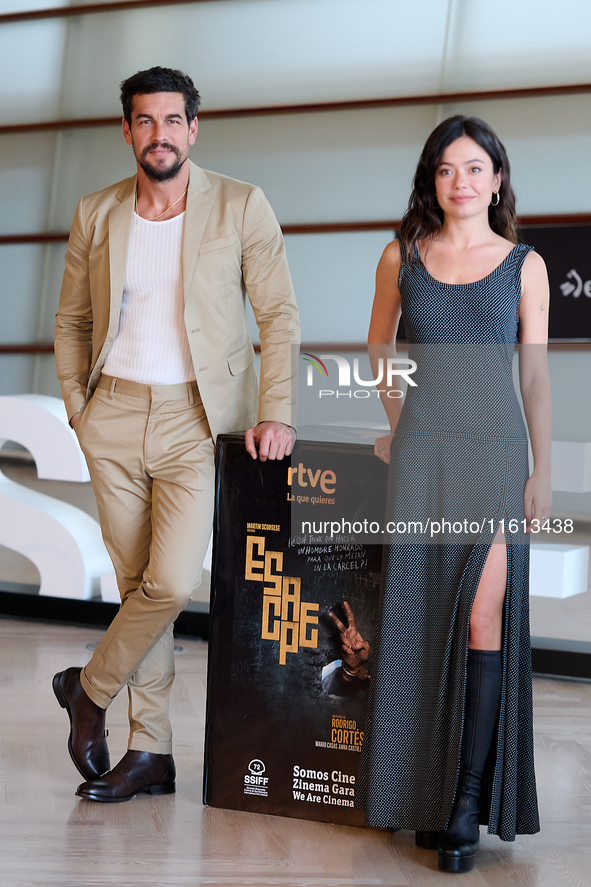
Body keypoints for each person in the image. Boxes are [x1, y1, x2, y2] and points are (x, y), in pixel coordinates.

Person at [53, 66, 299, 802]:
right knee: (136, 586)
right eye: (144, 121)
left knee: (167, 582)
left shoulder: (240, 205)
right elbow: (70, 321)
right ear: (126, 130)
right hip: (114, 415)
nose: (158, 134)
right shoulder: (97, 212)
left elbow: (279, 314)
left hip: (199, 420)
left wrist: (276, 408)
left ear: (193, 129)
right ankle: (150, 750)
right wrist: (79, 409)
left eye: (171, 120)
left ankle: (88, 691)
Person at [357, 116, 551, 873]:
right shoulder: (399, 256)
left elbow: (532, 375)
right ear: (430, 180)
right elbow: (378, 350)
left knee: (480, 613)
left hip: (496, 457)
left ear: (496, 179)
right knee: (419, 618)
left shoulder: (522, 265)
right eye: (445, 169)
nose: (460, 181)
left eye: (474, 168)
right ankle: (425, 797)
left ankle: (466, 800)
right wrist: (398, 426)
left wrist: (539, 468)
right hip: (424, 459)